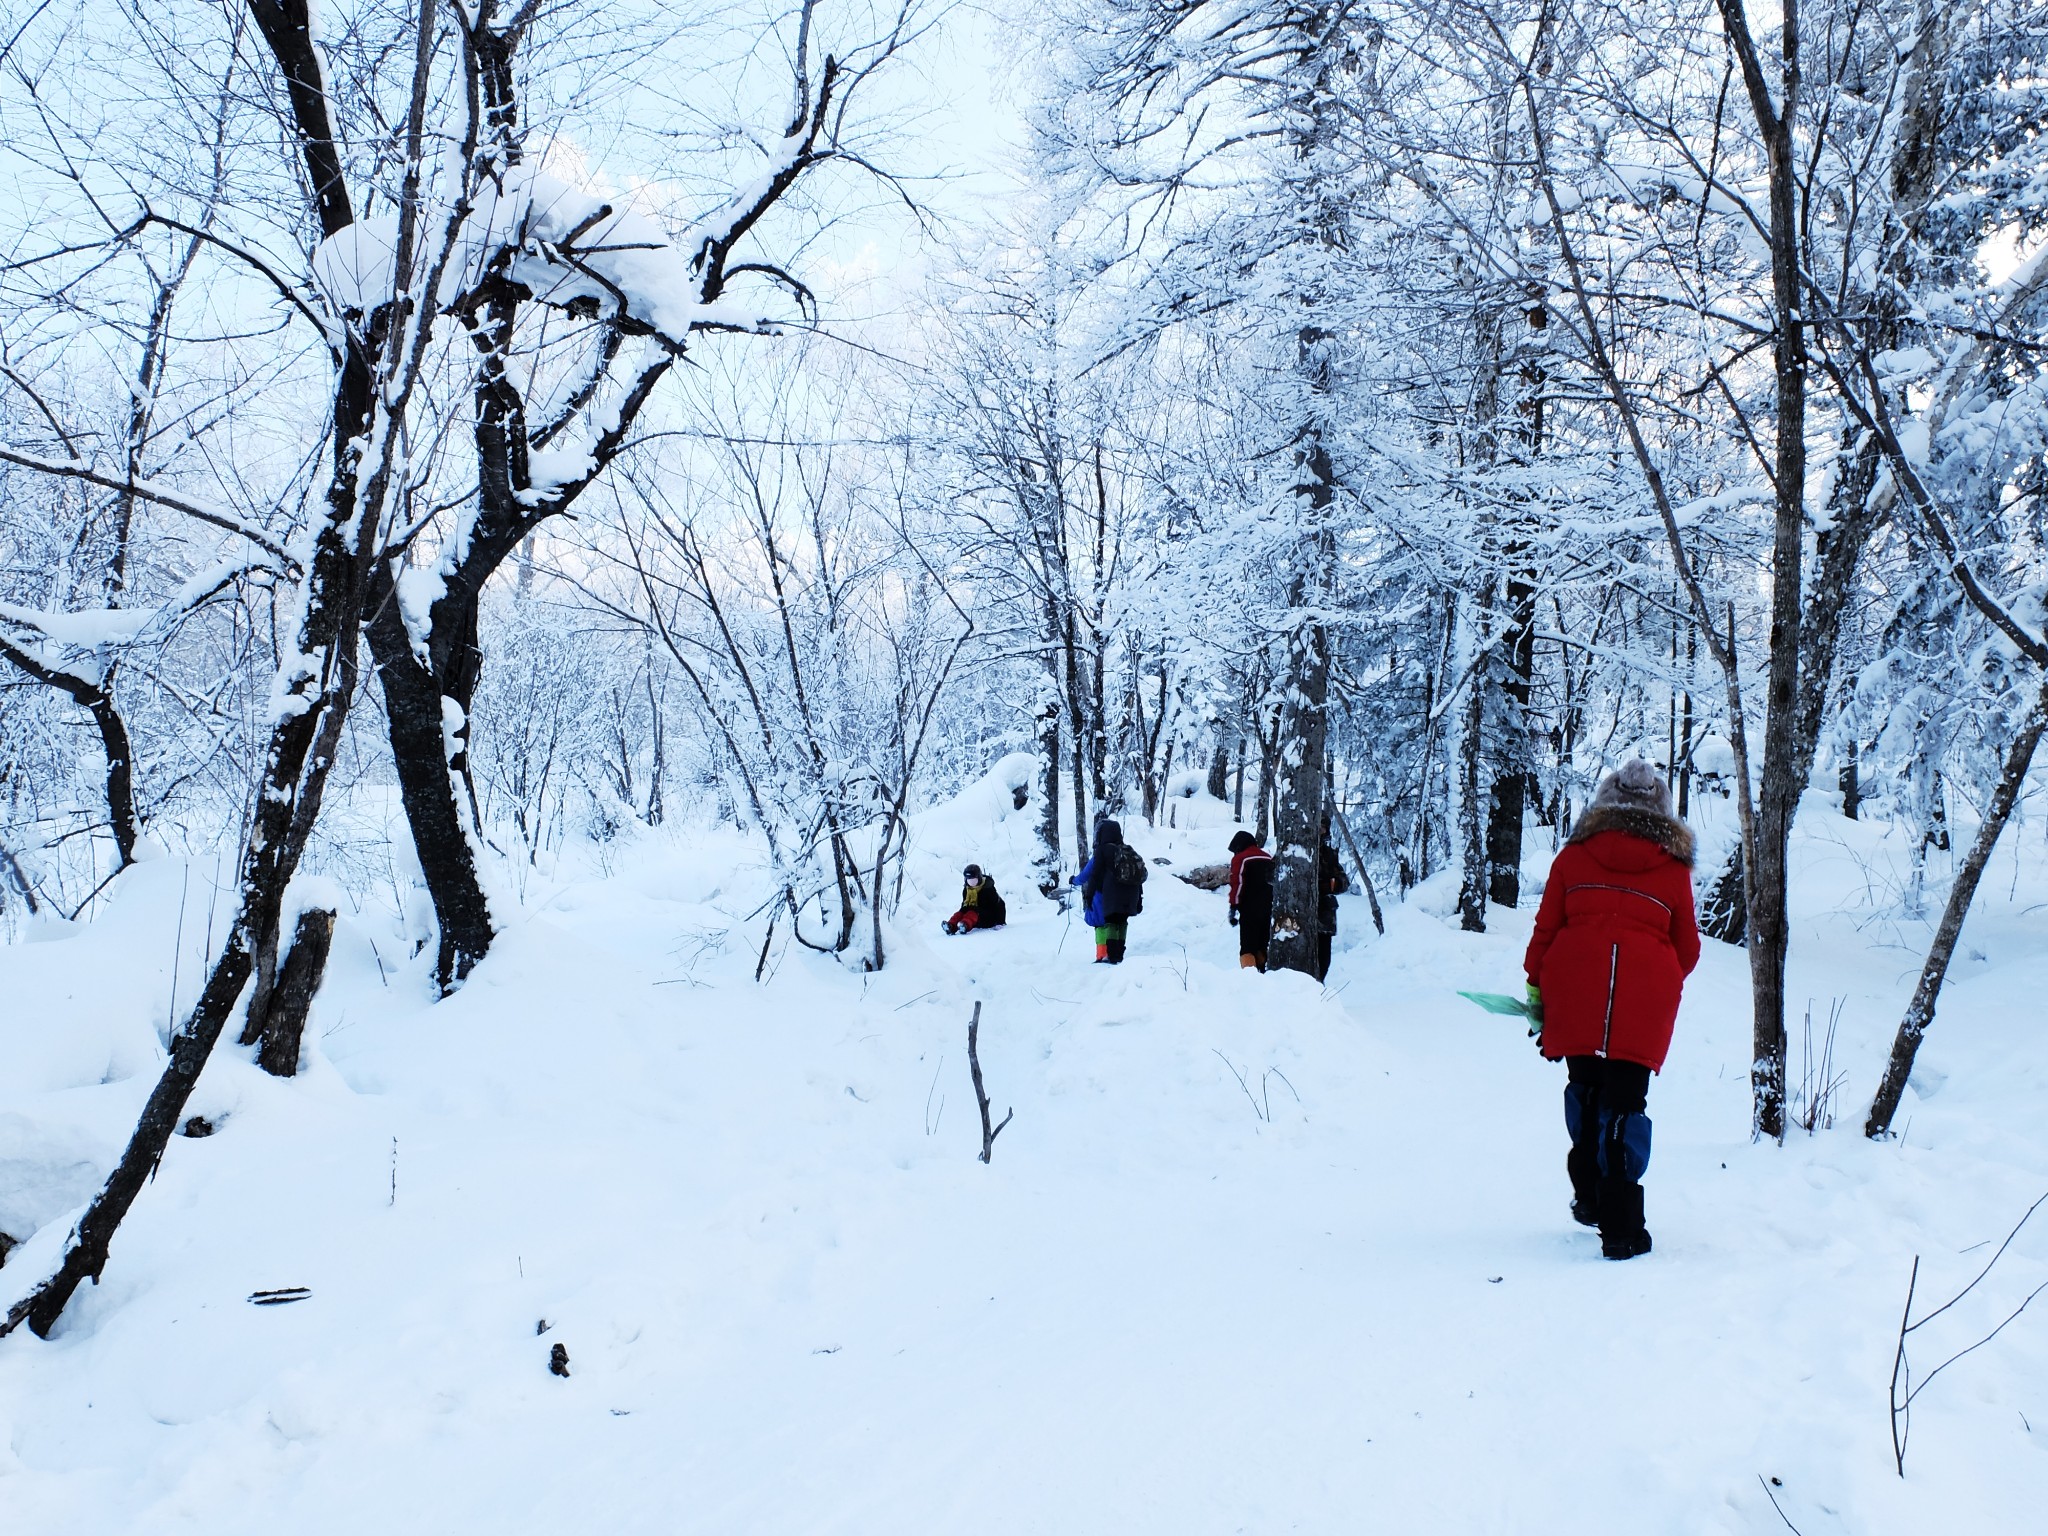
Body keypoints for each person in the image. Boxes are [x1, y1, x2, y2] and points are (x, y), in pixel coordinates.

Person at [1524, 759, 1700, 1261]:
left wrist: (1538, 988)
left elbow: (1545, 932)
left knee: (1586, 1092)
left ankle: (1589, 1197)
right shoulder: (1672, 870)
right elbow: (1687, 948)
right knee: (1625, 1105)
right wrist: (1653, 980)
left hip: (1573, 995)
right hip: (1644, 1006)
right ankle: (1622, 1228)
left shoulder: (1573, 859)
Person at [1071, 819, 1145, 963]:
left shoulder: (1103, 850)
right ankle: (1119, 954)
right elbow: (1138, 876)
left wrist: (1088, 894)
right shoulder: (1128, 850)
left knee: (1109, 922)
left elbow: (1093, 874)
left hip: (1111, 895)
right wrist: (1140, 898)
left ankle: (1109, 956)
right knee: (1122, 922)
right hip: (1131, 894)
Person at [1227, 830, 1275, 970]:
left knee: (1247, 947)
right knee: (1262, 944)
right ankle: (1263, 971)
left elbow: (1237, 883)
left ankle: (1250, 977)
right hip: (1268, 908)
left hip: (1249, 909)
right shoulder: (1268, 858)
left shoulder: (1241, 858)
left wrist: (1233, 906)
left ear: (1238, 846)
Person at [1316, 839, 1350, 982]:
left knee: (1323, 959)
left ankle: (1317, 988)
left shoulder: (1328, 854)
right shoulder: (1291, 847)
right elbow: (1271, 874)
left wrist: (1333, 885)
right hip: (1296, 913)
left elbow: (1343, 881)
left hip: (1324, 913)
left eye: (1324, 828)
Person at [942, 865, 1007, 935]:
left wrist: (1000, 922)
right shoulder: (966, 890)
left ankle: (964, 926)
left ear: (979, 878)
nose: (971, 883)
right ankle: (951, 926)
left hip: (988, 918)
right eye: (969, 880)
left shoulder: (988, 889)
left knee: (972, 913)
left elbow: (999, 904)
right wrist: (961, 912)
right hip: (976, 917)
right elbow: (964, 904)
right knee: (959, 913)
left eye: (973, 880)